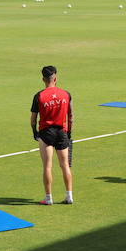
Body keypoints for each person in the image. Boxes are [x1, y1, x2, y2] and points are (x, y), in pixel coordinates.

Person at [30, 65, 73, 205]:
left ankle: (48, 198)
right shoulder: (66, 94)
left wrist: (35, 133)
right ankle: (69, 196)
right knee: (65, 165)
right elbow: (71, 116)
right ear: (55, 78)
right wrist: (69, 133)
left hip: (46, 133)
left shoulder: (39, 96)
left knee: (47, 167)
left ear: (43, 79)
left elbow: (33, 119)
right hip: (62, 132)